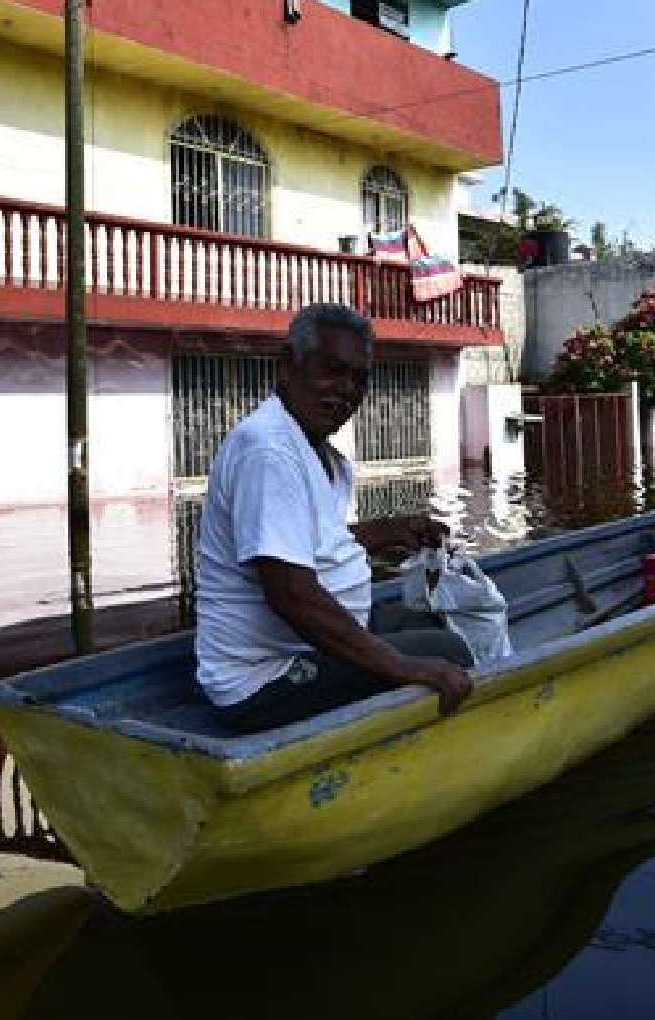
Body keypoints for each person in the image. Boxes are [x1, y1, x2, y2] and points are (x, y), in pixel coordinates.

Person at [193, 304, 474, 734]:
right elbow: (292, 595)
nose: (346, 391)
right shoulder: (270, 451)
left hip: (301, 647)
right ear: (288, 364)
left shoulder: (310, 447)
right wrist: (406, 667)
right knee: (450, 649)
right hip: (264, 679)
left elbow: (306, 543)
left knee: (422, 621)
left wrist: (389, 531)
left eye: (359, 379)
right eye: (332, 370)